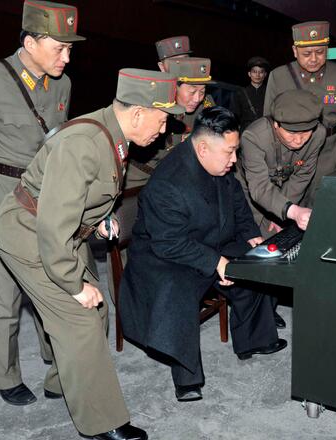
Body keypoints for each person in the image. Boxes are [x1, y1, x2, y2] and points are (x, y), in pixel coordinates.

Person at [0, 68, 183, 440]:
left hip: (60, 233)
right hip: (30, 235)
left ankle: (61, 382)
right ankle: (102, 423)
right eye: (162, 121)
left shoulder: (113, 134)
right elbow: (52, 225)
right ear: (138, 113)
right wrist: (74, 284)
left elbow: (83, 196)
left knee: (97, 310)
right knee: (80, 318)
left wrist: (100, 222)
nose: (164, 131)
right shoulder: (84, 142)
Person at [0, 0, 84, 406]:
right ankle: (4, 375)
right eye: (59, 48)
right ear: (30, 42)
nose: (66, 57)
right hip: (1, 192)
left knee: (51, 276)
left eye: (69, 49)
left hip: (46, 192)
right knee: (2, 288)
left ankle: (54, 355)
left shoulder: (62, 84)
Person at [119, 106, 287, 403]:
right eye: (230, 152)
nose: (234, 160)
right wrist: (216, 262)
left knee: (257, 257)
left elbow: (236, 199)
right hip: (162, 256)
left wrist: (250, 233)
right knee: (179, 289)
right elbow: (169, 243)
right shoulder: (168, 183)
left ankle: (255, 339)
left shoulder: (217, 163)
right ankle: (187, 376)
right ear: (203, 148)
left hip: (208, 238)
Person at [263, 21, 336, 200]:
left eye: (320, 52)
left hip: (331, 155)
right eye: (306, 54)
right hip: (292, 155)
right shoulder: (279, 76)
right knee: (292, 207)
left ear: (327, 49)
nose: (314, 59)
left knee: (327, 206)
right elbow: (268, 123)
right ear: (295, 51)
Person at [237, 89, 326, 236]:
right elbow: (259, 187)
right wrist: (292, 211)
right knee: (253, 235)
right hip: (251, 190)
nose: (299, 140)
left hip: (286, 189)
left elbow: (302, 176)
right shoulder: (253, 137)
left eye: (305, 132)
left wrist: (283, 212)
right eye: (291, 133)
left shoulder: (318, 135)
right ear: (276, 124)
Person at [124, 57, 217, 189]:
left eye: (202, 92)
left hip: (171, 180)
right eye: (192, 92)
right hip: (135, 180)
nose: (197, 98)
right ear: (174, 87)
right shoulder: (154, 106)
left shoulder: (204, 109)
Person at [232, 56, 270, 131]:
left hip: (264, 131)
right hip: (246, 131)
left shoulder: (269, 92)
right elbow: (235, 116)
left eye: (261, 72)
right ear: (249, 74)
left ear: (265, 74)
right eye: (254, 72)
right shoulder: (240, 93)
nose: (257, 75)